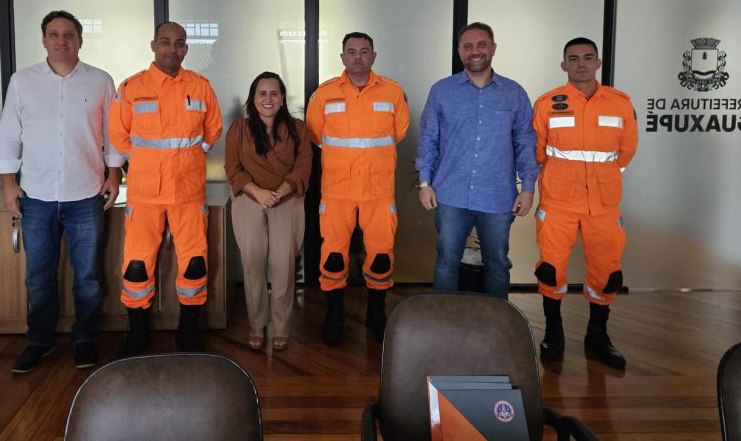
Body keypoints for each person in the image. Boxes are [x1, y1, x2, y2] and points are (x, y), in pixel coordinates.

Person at [0, 10, 123, 373]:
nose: (61, 40)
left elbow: (112, 134)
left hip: (86, 194)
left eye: (69, 34)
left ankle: (85, 339)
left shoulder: (100, 81)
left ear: (80, 40)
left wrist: (114, 175)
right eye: (54, 34)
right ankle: (40, 341)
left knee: (88, 276)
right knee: (38, 275)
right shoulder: (22, 81)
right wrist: (8, 182)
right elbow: (8, 133)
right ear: (44, 40)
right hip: (34, 195)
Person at [109, 22, 222, 355]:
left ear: (186, 49)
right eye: (165, 42)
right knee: (137, 264)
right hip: (144, 194)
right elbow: (119, 137)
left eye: (179, 43)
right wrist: (147, 165)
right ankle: (137, 331)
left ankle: (188, 330)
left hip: (188, 193)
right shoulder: (131, 88)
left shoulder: (201, 87)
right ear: (153, 45)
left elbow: (212, 132)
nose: (172, 49)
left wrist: (187, 160)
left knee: (195, 262)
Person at [533, 37, 638, 369]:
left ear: (598, 63)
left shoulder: (620, 103)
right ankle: (554, 333)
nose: (581, 63)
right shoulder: (548, 103)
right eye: (573, 58)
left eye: (588, 57)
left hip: (604, 204)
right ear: (563, 65)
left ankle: (597, 336)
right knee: (551, 269)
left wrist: (605, 178)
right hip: (559, 201)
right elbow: (536, 151)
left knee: (607, 273)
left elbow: (626, 151)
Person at [416, 22, 538, 300]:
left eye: (481, 44)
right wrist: (425, 182)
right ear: (460, 51)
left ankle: (496, 326)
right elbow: (428, 139)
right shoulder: (442, 91)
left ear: (493, 48)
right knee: (447, 261)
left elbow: (525, 141)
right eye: (468, 46)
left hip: (498, 197)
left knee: (496, 262)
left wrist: (528, 188)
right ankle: (444, 321)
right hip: (450, 194)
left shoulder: (514, 93)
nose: (475, 51)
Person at [306, 32, 409, 345]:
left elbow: (400, 133)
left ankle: (375, 313)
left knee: (380, 255)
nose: (358, 57)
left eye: (364, 52)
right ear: (342, 58)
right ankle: (334, 314)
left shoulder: (392, 92)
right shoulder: (324, 95)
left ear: (374, 56)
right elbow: (315, 135)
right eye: (351, 52)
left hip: (379, 191)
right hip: (337, 191)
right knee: (333, 255)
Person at [224, 72, 312, 352]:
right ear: (253, 98)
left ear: (283, 98)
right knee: (252, 264)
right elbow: (232, 168)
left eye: (274, 93)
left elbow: (303, 166)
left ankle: (281, 325)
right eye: (262, 93)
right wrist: (258, 193)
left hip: (286, 200)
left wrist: (282, 191)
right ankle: (256, 324)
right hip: (250, 199)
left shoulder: (297, 129)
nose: (268, 99)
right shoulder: (238, 130)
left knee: (284, 266)